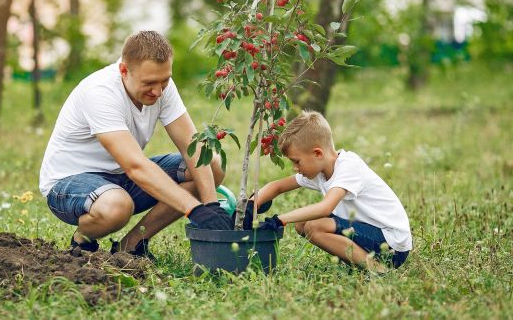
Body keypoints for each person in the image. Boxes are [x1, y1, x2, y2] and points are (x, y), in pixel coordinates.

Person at [39, 31, 233, 259]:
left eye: (165, 81)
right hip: (69, 182)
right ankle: (83, 240)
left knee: (211, 165)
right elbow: (136, 166)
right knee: (117, 207)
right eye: (149, 83)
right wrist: (195, 209)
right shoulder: (100, 93)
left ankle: (131, 246)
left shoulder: (161, 86)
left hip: (121, 178)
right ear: (124, 71)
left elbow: (192, 146)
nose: (158, 91)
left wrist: (211, 205)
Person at [253, 111, 412, 271]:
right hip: (369, 231)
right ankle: (360, 263)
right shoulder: (321, 168)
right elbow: (277, 187)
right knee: (302, 224)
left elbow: (325, 208)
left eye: (296, 161)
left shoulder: (348, 167)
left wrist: (280, 219)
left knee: (314, 227)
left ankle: (378, 270)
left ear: (317, 153)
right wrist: (252, 203)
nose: (295, 168)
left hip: (392, 245)